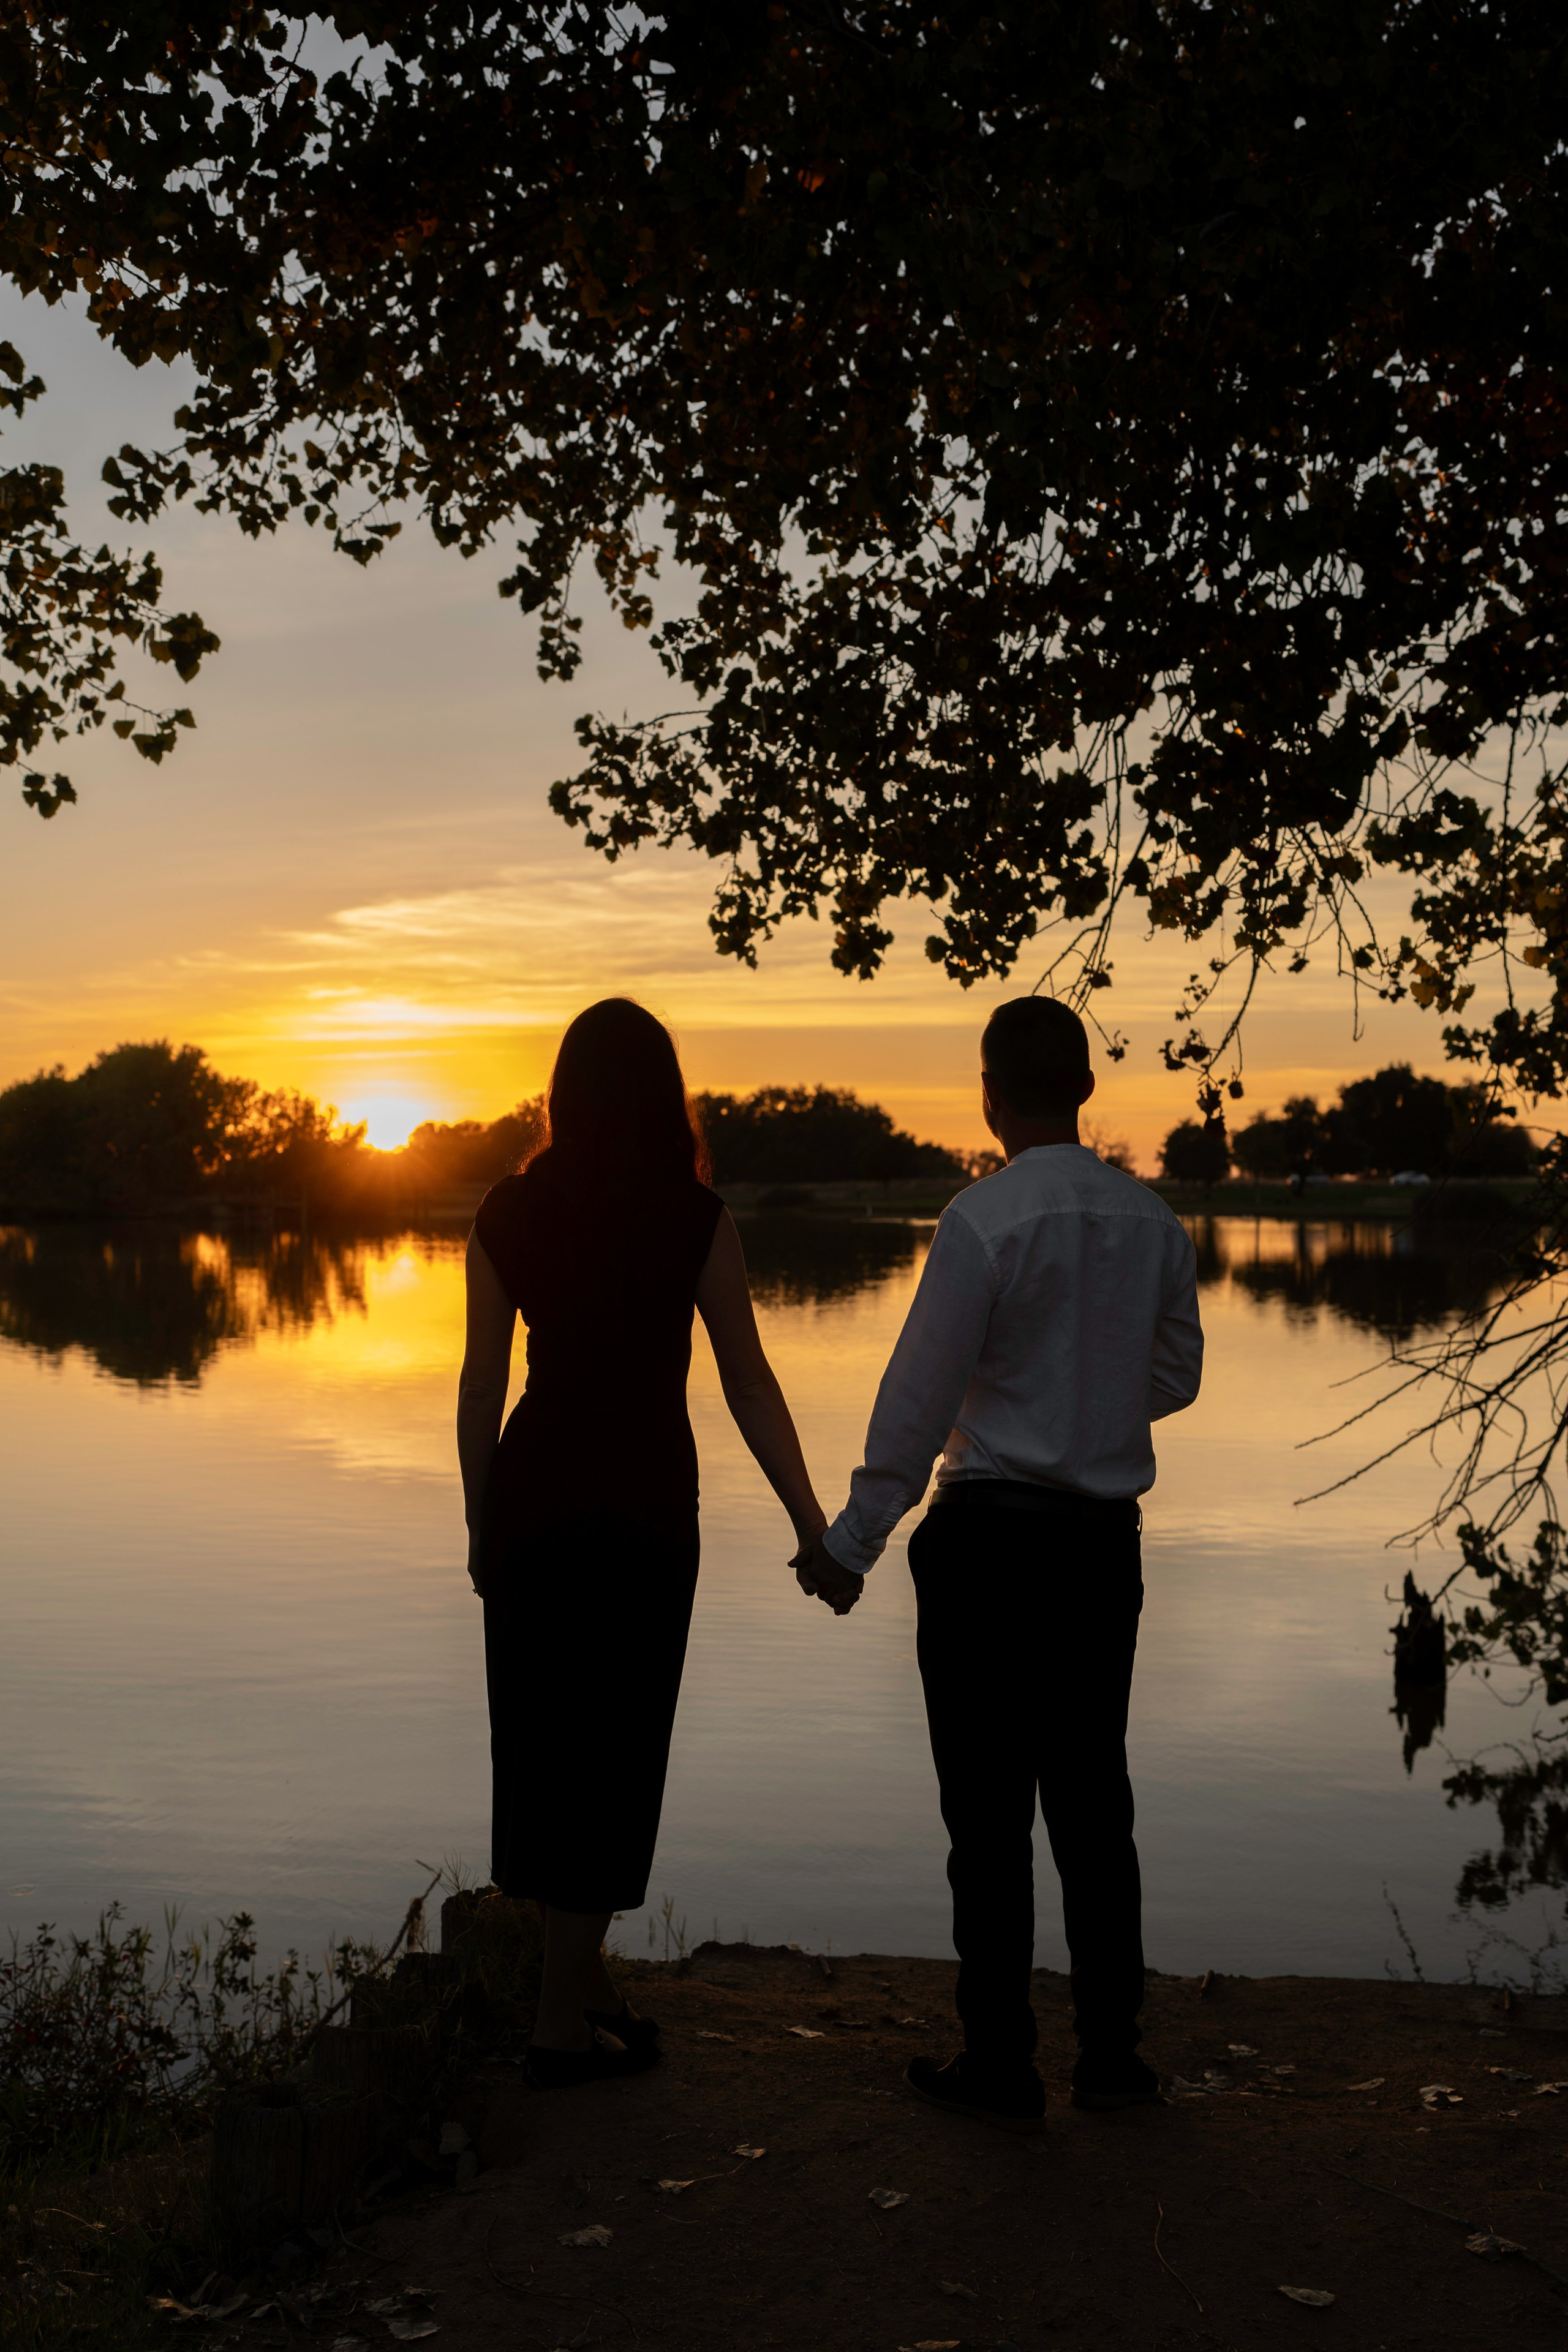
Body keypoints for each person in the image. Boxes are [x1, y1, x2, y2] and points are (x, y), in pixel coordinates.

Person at [796, 997, 1203, 2131]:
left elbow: (918, 1402)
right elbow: (1177, 1376)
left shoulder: (982, 1222)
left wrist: (849, 1546)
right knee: (1093, 1803)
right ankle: (1112, 2061)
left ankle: (1001, 2063)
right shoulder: (1153, 1224)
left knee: (987, 1813)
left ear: (989, 1095)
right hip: (1098, 1550)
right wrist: (1087, 1397)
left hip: (989, 1544)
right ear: (1084, 1087)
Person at [456, 998, 827, 2088]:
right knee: (613, 1751)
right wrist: (811, 1523)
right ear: (666, 1095)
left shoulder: (507, 1212)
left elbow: (481, 1387)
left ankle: (584, 1990)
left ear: (563, 1096)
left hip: (533, 1495)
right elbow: (748, 1381)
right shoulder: (695, 1216)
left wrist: (481, 1523)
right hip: (642, 1504)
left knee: (546, 1748)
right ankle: (557, 2034)